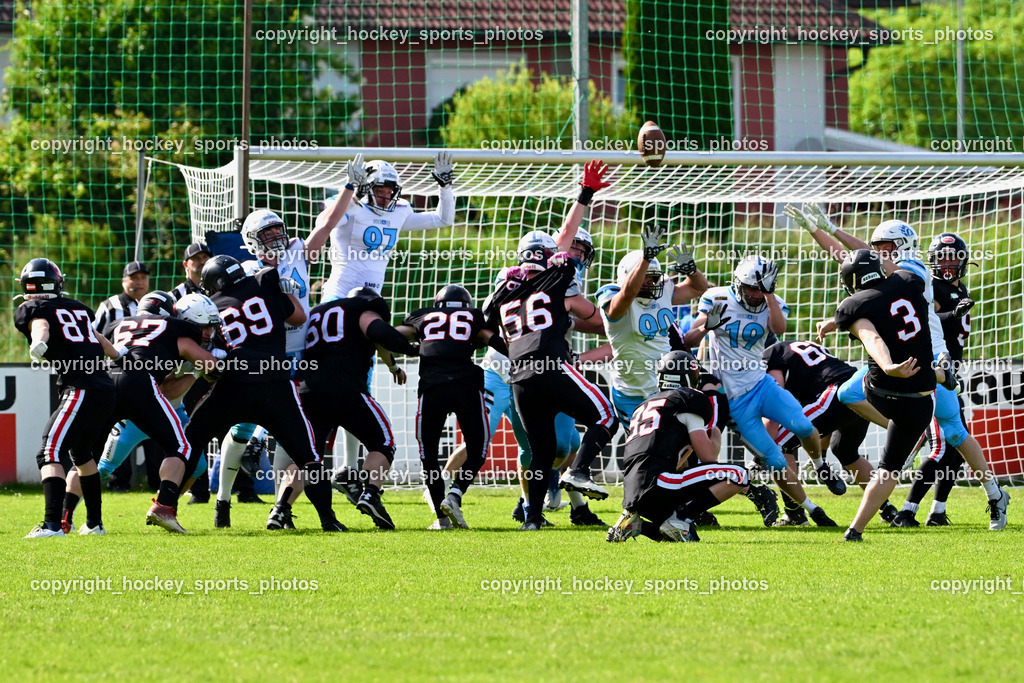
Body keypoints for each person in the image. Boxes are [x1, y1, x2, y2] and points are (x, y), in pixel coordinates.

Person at [790, 205, 1009, 530]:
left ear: (901, 247)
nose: (879, 253)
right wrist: (819, 231)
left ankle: (994, 493)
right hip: (897, 364)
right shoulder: (893, 274)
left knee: (954, 430)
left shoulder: (912, 272)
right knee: (848, 394)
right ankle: (911, 434)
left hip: (929, 360)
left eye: (885, 247)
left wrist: (833, 231)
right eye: (878, 248)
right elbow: (853, 262)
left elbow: (864, 264)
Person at [178, 255, 345, 532]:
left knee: (191, 442)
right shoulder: (264, 286)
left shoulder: (213, 304)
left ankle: (169, 504)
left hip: (233, 382)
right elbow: (299, 317)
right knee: (308, 456)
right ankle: (328, 519)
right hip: (274, 382)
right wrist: (286, 293)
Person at [317, 152, 456, 476]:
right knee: (315, 375)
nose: (385, 196)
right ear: (366, 188)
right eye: (379, 189)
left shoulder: (400, 210)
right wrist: (348, 189)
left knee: (359, 385)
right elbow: (326, 222)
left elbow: (442, 219)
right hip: (337, 299)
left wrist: (445, 187)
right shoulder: (350, 206)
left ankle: (347, 468)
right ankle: (265, 439)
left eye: (390, 190)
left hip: (369, 304)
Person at [684, 256, 838, 527]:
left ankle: (820, 466)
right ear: (737, 283)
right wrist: (707, 327)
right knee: (775, 462)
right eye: (751, 288)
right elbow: (688, 340)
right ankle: (812, 509)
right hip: (734, 399)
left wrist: (769, 295)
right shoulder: (717, 298)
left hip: (761, 385)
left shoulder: (771, 301)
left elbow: (780, 328)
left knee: (804, 426)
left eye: (762, 288)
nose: (756, 294)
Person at [212, 205, 336, 528]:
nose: (276, 237)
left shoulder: (297, 254)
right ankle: (223, 500)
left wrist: (349, 191)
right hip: (262, 357)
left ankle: (282, 509)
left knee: (290, 433)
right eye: (267, 234)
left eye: (278, 230)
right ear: (252, 240)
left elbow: (326, 224)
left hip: (298, 356)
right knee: (240, 430)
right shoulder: (246, 271)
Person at [486, 232, 617, 531]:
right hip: (552, 366)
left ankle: (532, 519)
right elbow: (596, 319)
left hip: (520, 377)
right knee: (606, 416)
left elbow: (487, 325)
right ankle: (578, 471)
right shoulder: (559, 279)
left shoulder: (505, 293)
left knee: (541, 452)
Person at [62, 291, 223, 532]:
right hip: (144, 399)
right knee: (176, 449)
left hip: (115, 386)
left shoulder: (122, 325)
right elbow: (168, 389)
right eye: (202, 327)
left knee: (86, 457)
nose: (207, 333)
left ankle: (64, 517)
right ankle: (164, 506)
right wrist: (204, 368)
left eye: (210, 327)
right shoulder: (176, 333)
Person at [607, 350, 773, 543]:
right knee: (739, 474)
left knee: (678, 537)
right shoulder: (685, 400)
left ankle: (639, 524)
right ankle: (680, 519)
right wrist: (715, 435)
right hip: (660, 483)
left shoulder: (644, 406)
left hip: (634, 491)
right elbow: (708, 457)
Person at [832, 250, 942, 541]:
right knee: (888, 469)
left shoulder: (852, 306)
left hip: (879, 389)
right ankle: (855, 530)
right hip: (919, 399)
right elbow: (892, 277)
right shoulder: (910, 280)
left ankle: (855, 531)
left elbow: (872, 337)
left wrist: (889, 366)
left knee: (846, 392)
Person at [15, 258, 123, 537]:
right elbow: (99, 338)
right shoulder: (77, 308)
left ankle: (52, 524)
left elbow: (41, 325)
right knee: (82, 454)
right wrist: (119, 355)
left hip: (81, 388)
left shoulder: (34, 308)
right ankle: (95, 524)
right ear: (57, 282)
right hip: (104, 388)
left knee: (49, 451)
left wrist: (39, 343)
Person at [299, 287, 419, 530]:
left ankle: (308, 515)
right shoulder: (361, 310)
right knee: (383, 441)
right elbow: (378, 332)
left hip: (307, 392)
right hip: (346, 389)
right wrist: (418, 349)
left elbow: (376, 342)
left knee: (310, 459)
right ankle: (371, 494)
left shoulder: (317, 312)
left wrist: (394, 367)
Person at [396, 285, 507, 529]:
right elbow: (491, 339)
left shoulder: (423, 316)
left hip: (432, 388)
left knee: (428, 455)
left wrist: (414, 351)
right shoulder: (474, 316)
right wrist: (523, 357)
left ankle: (441, 519)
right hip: (466, 386)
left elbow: (391, 335)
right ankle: (455, 494)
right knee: (477, 449)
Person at [761, 339, 900, 526]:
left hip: (835, 391)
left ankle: (794, 513)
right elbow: (822, 423)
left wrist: (762, 452)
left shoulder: (769, 357)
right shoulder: (794, 347)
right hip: (858, 391)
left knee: (779, 445)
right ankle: (888, 509)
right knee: (846, 451)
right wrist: (822, 455)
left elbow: (776, 403)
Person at [898, 232, 976, 526]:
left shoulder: (959, 287)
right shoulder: (931, 287)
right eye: (942, 258)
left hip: (950, 374)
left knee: (957, 449)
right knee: (944, 447)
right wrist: (953, 314)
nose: (947, 264)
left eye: (953, 258)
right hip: (934, 374)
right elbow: (926, 323)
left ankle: (938, 512)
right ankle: (907, 511)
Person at [93, 259, 152, 491]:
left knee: (153, 428)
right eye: (134, 278)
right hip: (117, 377)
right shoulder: (110, 306)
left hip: (151, 378)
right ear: (123, 281)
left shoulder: (157, 304)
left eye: (143, 278)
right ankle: (119, 482)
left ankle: (157, 481)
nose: (139, 282)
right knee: (117, 430)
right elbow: (93, 336)